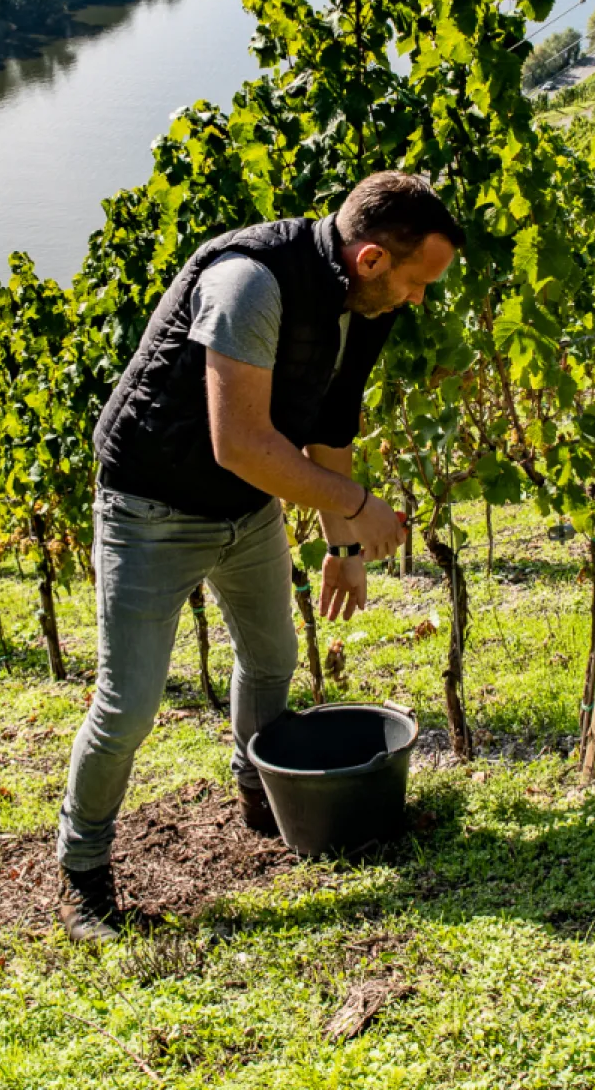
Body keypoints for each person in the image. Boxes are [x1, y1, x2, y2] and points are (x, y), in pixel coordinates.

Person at [55, 171, 463, 940]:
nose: (420, 301)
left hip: (246, 510)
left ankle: (258, 793)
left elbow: (331, 426)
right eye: (417, 282)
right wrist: (355, 509)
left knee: (272, 660)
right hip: (153, 509)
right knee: (128, 702)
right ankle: (83, 874)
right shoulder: (249, 282)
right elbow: (238, 441)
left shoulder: (362, 303)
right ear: (372, 258)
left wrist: (345, 547)